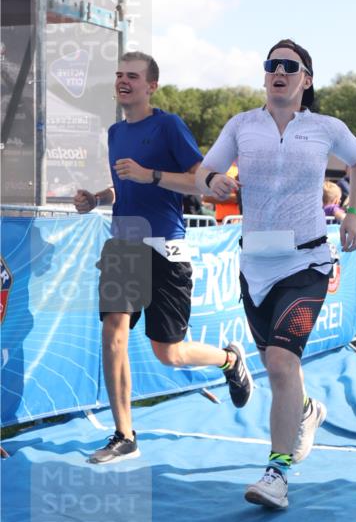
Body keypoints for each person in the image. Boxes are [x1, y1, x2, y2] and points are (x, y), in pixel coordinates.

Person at [196, 39, 356, 511]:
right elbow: (203, 173)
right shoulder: (241, 126)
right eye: (271, 65)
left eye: (288, 66)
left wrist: (355, 211)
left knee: (278, 363)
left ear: (305, 79)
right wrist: (213, 182)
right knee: (281, 370)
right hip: (254, 265)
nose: (278, 72)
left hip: (307, 262)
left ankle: (277, 473)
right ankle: (309, 410)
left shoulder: (325, 127)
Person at [74, 52, 253, 464]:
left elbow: (200, 181)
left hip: (166, 248)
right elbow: (125, 187)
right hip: (124, 244)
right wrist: (96, 199)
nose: (123, 81)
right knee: (112, 331)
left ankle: (229, 360)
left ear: (151, 85)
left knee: (168, 353)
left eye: (132, 76)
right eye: (118, 74)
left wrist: (149, 174)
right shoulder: (116, 132)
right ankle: (124, 435)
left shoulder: (169, 125)